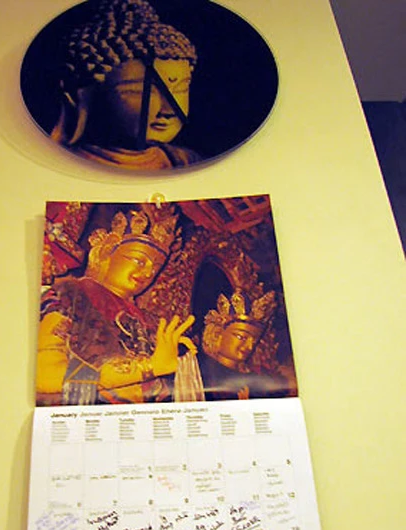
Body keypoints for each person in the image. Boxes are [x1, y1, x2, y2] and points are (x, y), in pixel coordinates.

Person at [36, 206, 197, 405]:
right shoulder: (72, 294)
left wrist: (182, 358)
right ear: (106, 253)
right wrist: (148, 368)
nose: (148, 273)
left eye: (155, 267)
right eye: (139, 260)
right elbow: (45, 375)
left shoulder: (151, 323)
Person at [51, 0, 199, 170]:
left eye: (181, 89)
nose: (169, 110)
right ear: (80, 96)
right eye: (141, 91)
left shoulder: (186, 161)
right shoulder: (63, 166)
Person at [200, 289, 296, 400]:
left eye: (254, 341)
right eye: (241, 337)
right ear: (218, 334)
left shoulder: (257, 379)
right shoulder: (201, 372)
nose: (250, 347)